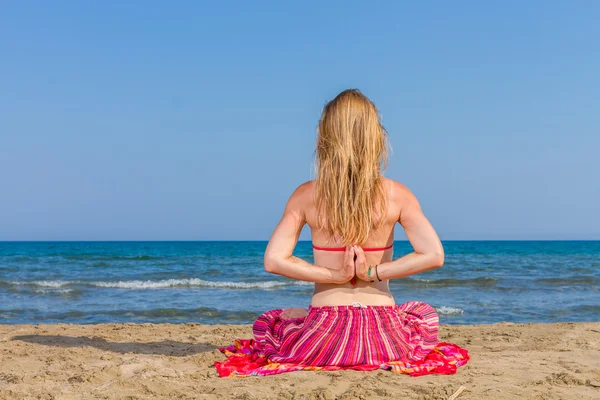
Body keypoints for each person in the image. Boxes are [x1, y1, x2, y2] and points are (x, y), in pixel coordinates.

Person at [214, 89, 469, 377]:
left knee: (272, 323)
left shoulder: (306, 195)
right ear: (376, 136)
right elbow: (434, 255)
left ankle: (308, 316)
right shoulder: (398, 195)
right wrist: (374, 272)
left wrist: (334, 276)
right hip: (383, 339)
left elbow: (274, 260)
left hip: (322, 338)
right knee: (421, 315)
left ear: (325, 137)